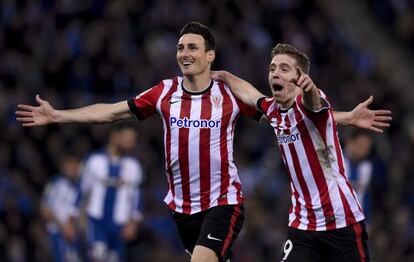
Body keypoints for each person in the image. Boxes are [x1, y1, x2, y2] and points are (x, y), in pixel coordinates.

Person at [16, 22, 390, 262]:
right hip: (185, 207)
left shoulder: (244, 99)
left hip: (229, 203)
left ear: (208, 55)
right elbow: (113, 112)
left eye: (193, 47)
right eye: (181, 47)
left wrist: (330, 107)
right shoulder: (165, 93)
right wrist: (59, 115)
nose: (184, 53)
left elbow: (312, 112)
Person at [211, 43, 391, 261]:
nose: (275, 72)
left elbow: (313, 105)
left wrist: (309, 89)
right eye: (272, 68)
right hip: (303, 224)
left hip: (341, 221)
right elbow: (251, 95)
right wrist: (224, 75)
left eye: (284, 69)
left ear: (300, 78)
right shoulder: (273, 109)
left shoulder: (311, 103)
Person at [80, 124, 143, 262]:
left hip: (120, 225)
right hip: (97, 222)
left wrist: (134, 222)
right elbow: (82, 192)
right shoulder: (94, 161)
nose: (132, 142)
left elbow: (137, 197)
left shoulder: (133, 166)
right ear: (115, 136)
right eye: (129, 137)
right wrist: (76, 217)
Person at [41, 153, 81, 262]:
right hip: (58, 232)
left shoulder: (82, 185)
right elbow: (45, 209)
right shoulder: (54, 184)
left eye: (75, 164)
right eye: (69, 165)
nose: (72, 168)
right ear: (63, 166)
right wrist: (63, 227)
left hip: (78, 234)